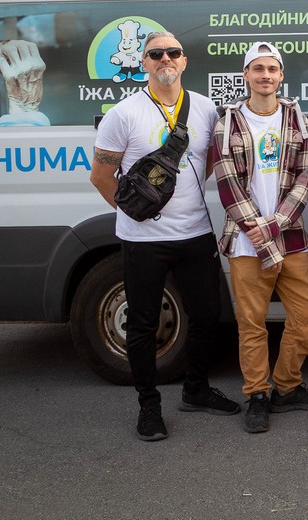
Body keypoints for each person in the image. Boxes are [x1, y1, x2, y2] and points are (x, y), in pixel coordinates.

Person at [89, 31, 240, 442]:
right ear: (144, 63)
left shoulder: (205, 109)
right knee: (143, 324)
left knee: (207, 315)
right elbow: (101, 175)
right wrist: (135, 213)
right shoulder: (124, 113)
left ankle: (196, 389)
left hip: (195, 232)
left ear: (184, 61)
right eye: (156, 54)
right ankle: (148, 406)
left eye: (173, 52)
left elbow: (205, 164)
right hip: (143, 240)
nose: (165, 59)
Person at [213, 41, 308, 434]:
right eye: (258, 68)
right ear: (246, 75)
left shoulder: (296, 119)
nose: (265, 75)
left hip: (290, 238)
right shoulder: (227, 123)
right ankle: (258, 395)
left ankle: (286, 386)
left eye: (272, 69)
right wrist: (261, 235)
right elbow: (228, 185)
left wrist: (275, 226)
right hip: (245, 242)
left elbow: (305, 176)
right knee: (251, 323)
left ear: (281, 75)